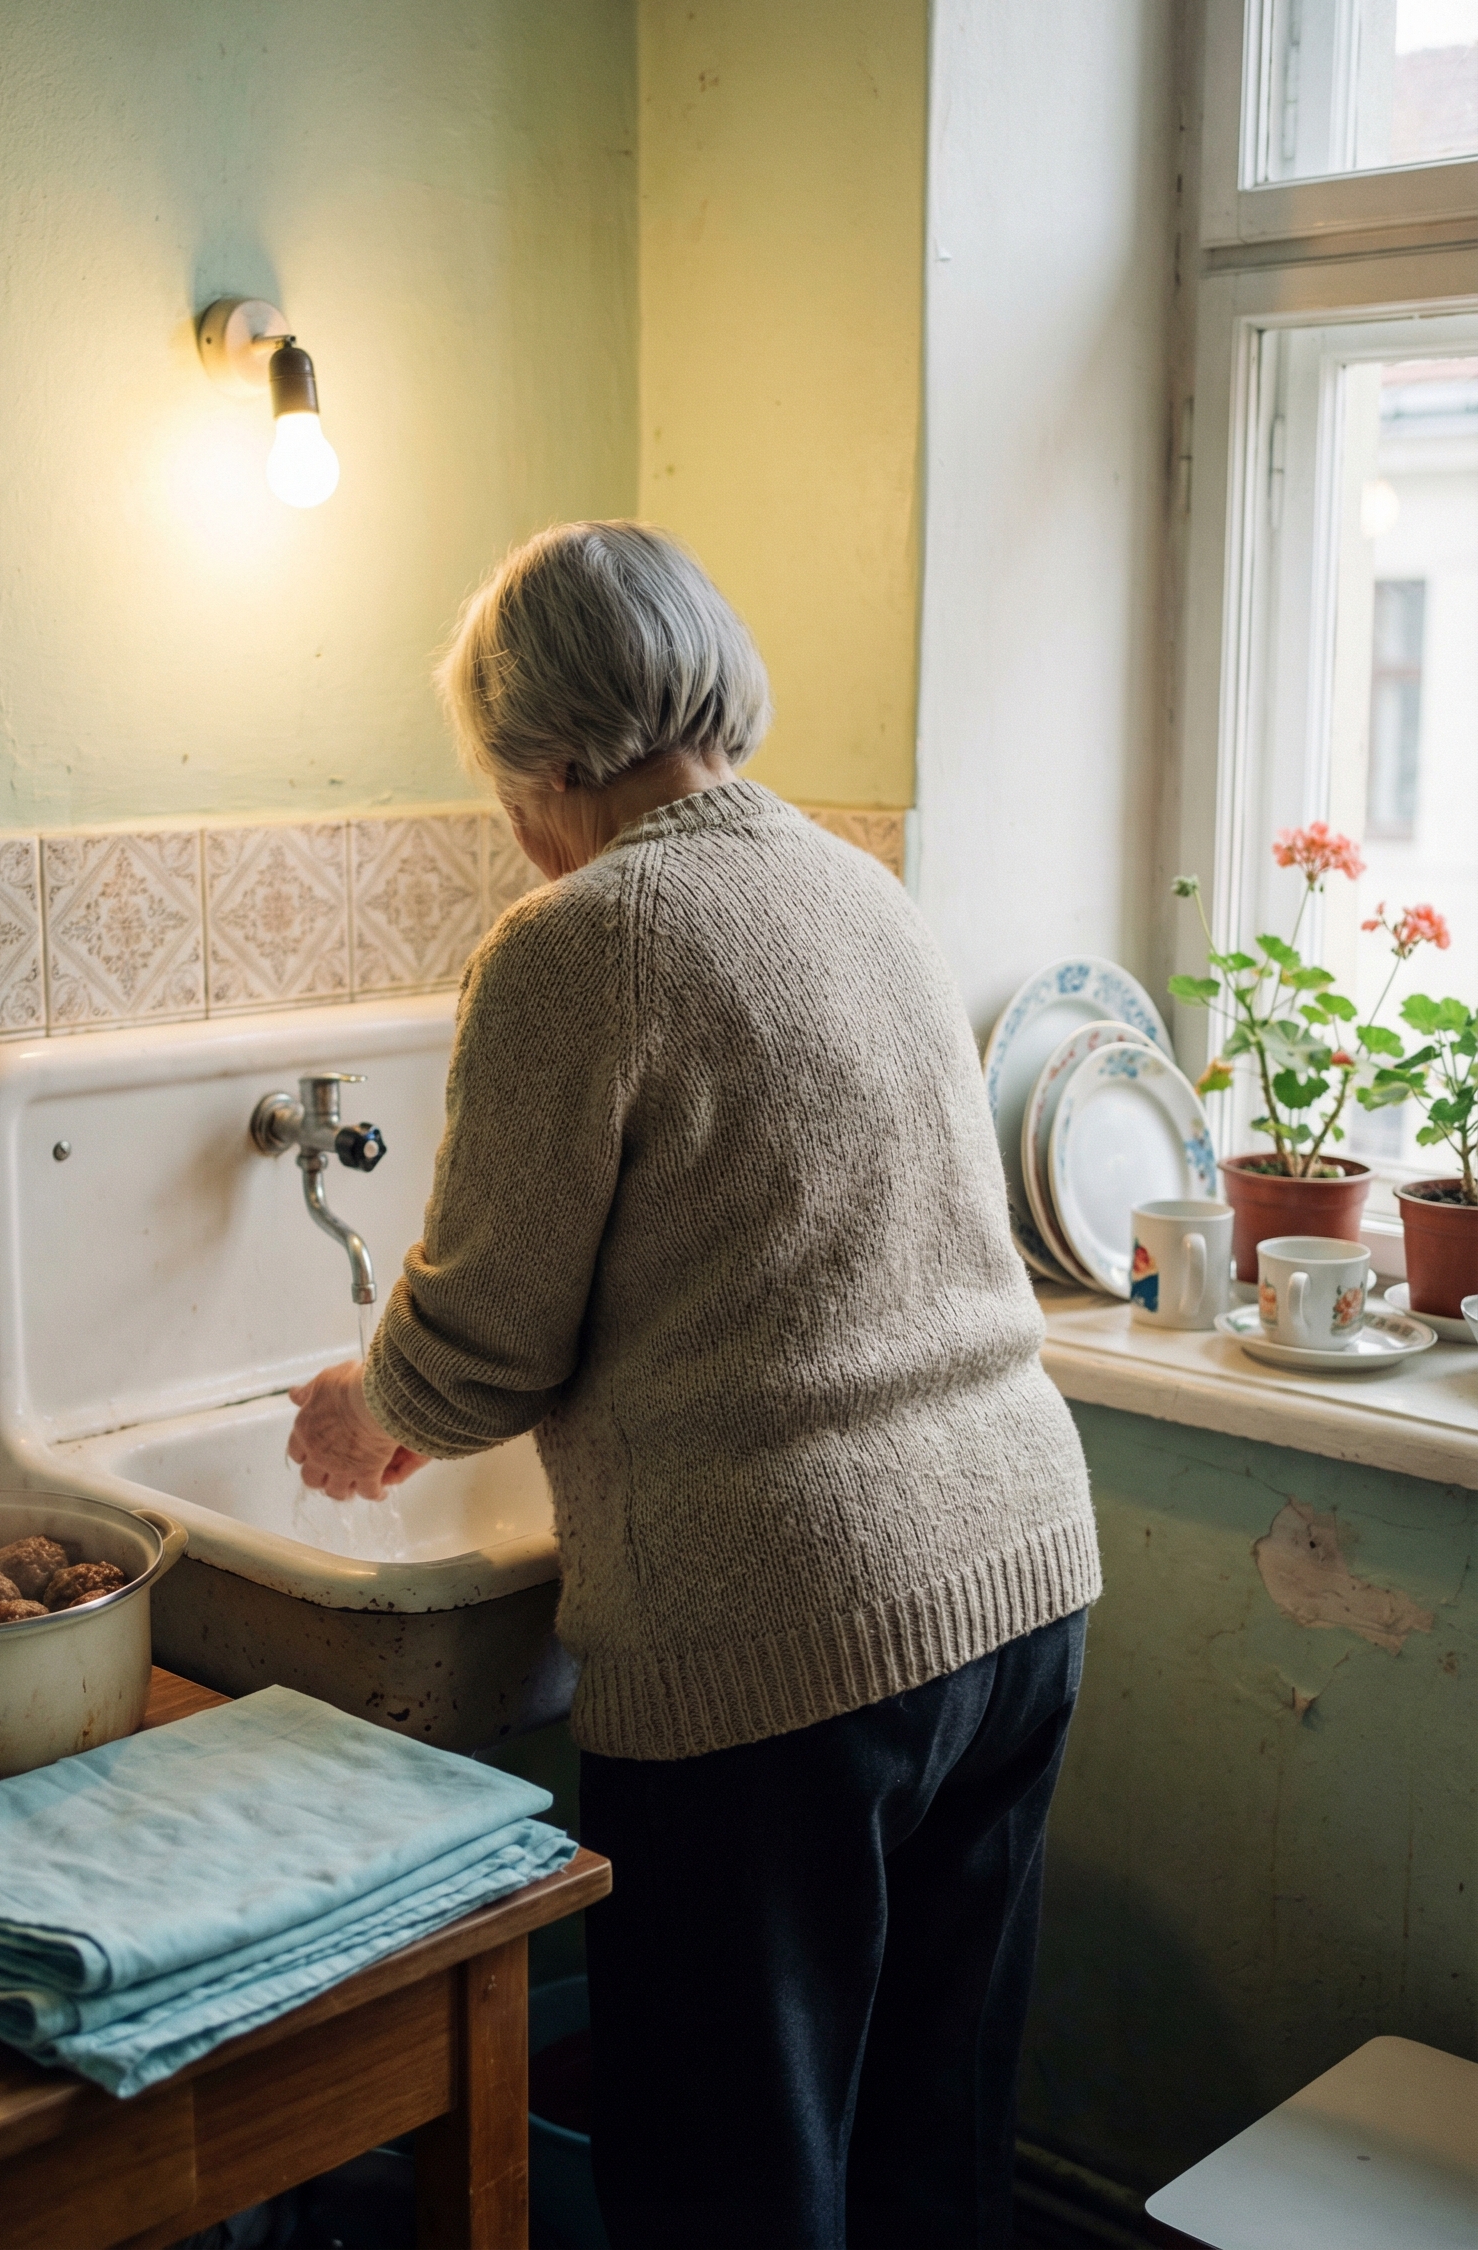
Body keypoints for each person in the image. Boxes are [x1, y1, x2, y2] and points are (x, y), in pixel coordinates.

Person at [286, 522, 1099, 2249]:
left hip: (786, 1632)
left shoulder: (579, 943)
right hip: (1020, 1569)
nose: (509, 813)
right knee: (928, 2130)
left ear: (550, 753)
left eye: (500, 769)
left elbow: (491, 1326)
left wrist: (367, 1417)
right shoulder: (858, 889)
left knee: (732, 2169)